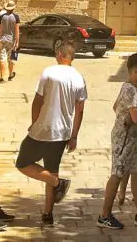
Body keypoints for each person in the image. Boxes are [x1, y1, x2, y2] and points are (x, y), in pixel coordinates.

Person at [15, 38, 85, 225]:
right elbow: (80, 110)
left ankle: (57, 183)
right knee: (51, 168)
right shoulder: (79, 78)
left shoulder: (49, 73)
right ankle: (48, 214)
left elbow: (38, 100)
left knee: (22, 162)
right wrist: (74, 135)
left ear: (61, 54)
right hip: (63, 131)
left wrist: (33, 122)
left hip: (44, 128)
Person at [98, 52, 137, 228]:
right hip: (124, 138)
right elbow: (135, 117)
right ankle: (104, 215)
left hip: (132, 137)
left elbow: (115, 107)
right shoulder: (130, 90)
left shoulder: (129, 88)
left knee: (136, 171)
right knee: (117, 174)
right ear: (135, 71)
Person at [0, 0, 20, 82]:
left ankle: (2, 77)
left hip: (2, 39)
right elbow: (17, 30)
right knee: (11, 58)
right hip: (11, 40)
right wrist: (17, 41)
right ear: (13, 8)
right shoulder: (16, 17)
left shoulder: (1, 17)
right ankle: (10, 75)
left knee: (2, 58)